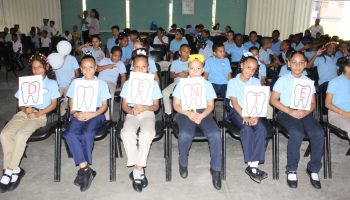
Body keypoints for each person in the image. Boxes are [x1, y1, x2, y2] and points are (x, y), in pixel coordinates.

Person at [0, 54, 60, 193]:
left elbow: (53, 105)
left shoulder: (51, 83)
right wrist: (24, 109)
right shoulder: (27, 82)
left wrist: (38, 113)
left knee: (21, 135)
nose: (37, 70)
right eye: (34, 68)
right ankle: (16, 169)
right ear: (31, 69)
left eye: (40, 67)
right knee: (4, 134)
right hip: (24, 113)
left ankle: (8, 172)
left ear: (46, 67)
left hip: (40, 116)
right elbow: (20, 102)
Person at [270, 51, 325, 189]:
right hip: (286, 112)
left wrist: (304, 112)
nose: (297, 66)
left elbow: (312, 103)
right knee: (297, 133)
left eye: (301, 63)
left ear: (306, 64)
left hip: (304, 112)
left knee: (318, 132)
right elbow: (273, 100)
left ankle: (313, 168)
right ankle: (292, 169)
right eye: (294, 62)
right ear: (288, 63)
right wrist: (290, 111)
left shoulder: (308, 82)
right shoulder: (282, 80)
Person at [172, 54, 222, 190]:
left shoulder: (207, 85)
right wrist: (188, 113)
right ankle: (183, 162)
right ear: (188, 69)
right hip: (185, 112)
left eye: (198, 68)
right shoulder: (182, 84)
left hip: (204, 112)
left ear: (202, 70)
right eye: (192, 68)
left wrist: (202, 115)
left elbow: (211, 105)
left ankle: (216, 169)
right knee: (185, 135)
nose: (194, 71)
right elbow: (176, 105)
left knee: (215, 134)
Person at [64, 55, 110, 192]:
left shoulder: (101, 84)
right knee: (70, 134)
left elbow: (104, 106)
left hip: (95, 114)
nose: (88, 70)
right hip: (79, 112)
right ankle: (85, 168)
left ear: (96, 68)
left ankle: (84, 172)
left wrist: (91, 114)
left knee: (87, 134)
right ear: (80, 69)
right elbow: (71, 102)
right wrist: (75, 112)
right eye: (84, 68)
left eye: (91, 67)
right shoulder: (76, 83)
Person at [120, 48, 162, 192]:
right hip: (132, 113)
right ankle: (137, 167)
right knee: (126, 133)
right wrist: (132, 111)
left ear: (148, 68)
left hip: (147, 113)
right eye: (137, 66)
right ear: (132, 67)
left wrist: (144, 107)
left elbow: (156, 106)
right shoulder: (127, 84)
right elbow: (124, 105)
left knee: (147, 133)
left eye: (143, 67)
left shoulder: (153, 84)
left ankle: (137, 169)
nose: (140, 69)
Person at [226, 55, 268, 183]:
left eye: (254, 69)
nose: (250, 71)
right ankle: (252, 165)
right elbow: (234, 102)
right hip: (237, 111)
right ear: (242, 65)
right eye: (248, 67)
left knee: (261, 129)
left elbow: (260, 100)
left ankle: (253, 166)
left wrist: (255, 116)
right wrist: (245, 115)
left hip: (253, 110)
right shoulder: (233, 82)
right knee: (247, 128)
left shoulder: (256, 82)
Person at [97, 46, 126, 120]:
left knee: (110, 95)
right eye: (115, 55)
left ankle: (108, 118)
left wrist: (122, 87)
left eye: (119, 56)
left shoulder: (121, 64)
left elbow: (123, 76)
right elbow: (97, 69)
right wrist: (108, 66)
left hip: (111, 83)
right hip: (100, 82)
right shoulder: (104, 60)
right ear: (111, 54)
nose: (117, 58)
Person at [162, 44, 190, 118]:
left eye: (188, 51)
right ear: (180, 52)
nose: (186, 53)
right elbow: (171, 75)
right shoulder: (175, 62)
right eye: (184, 51)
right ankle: (168, 113)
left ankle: (185, 112)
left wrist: (188, 73)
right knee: (164, 92)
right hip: (176, 83)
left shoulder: (191, 62)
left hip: (188, 84)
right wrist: (178, 74)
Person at [325, 57, 350, 139]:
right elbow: (327, 104)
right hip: (337, 114)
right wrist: (344, 113)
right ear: (344, 67)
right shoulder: (334, 82)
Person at [53, 49, 80, 115]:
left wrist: (75, 77)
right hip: (58, 85)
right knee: (53, 101)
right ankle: (60, 113)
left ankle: (63, 115)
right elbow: (54, 74)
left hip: (69, 84)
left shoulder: (72, 58)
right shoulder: (55, 59)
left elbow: (77, 73)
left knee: (67, 102)